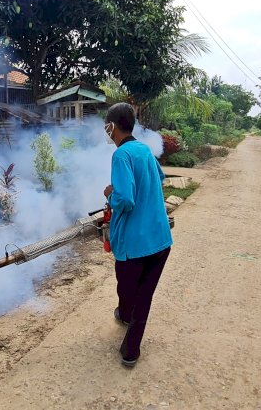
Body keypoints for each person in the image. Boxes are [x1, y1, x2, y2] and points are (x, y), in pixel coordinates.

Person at [103, 103, 173, 367]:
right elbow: (160, 177)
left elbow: (125, 200)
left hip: (135, 243)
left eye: (105, 125)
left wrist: (111, 193)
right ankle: (130, 342)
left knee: (127, 285)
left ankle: (128, 333)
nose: (105, 131)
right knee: (144, 294)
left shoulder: (121, 155)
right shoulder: (144, 149)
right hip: (161, 239)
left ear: (112, 125)